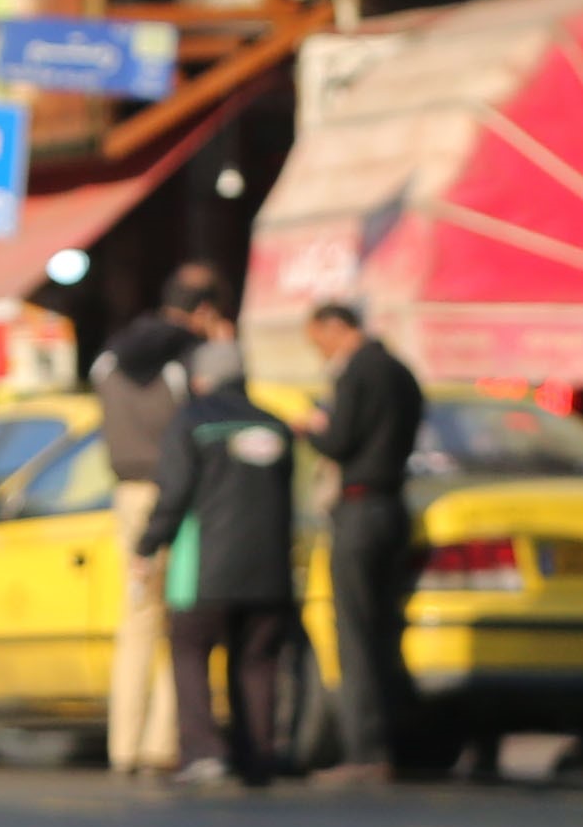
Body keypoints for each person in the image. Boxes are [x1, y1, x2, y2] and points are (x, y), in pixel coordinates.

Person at [141, 329, 303, 786]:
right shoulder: (274, 425)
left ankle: (203, 751)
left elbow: (174, 491)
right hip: (270, 570)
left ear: (200, 380)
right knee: (257, 660)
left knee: (190, 651)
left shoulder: (191, 422)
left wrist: (147, 544)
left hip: (204, 569)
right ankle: (258, 753)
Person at [96, 264, 231, 777]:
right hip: (178, 495)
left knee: (136, 619)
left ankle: (123, 745)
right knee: (182, 619)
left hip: (126, 493)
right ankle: (162, 743)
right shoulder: (191, 356)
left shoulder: (110, 356)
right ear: (204, 310)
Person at [304, 298, 427, 783]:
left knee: (354, 634)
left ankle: (365, 752)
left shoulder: (354, 373)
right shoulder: (402, 371)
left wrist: (311, 428)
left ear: (335, 328)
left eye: (318, 341)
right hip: (394, 507)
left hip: (357, 510)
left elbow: (338, 441)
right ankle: (398, 744)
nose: (320, 352)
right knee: (384, 631)